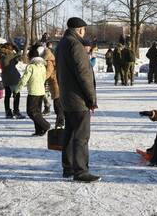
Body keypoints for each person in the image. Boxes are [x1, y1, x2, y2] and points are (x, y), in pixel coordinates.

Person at [56, 17, 100, 182]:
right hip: (78, 98)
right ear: (80, 29)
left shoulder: (61, 44)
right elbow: (84, 75)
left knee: (70, 132)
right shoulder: (76, 45)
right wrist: (91, 98)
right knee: (81, 136)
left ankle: (68, 167)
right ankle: (80, 171)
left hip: (66, 97)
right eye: (84, 30)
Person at [15, 44, 50, 136]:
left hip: (33, 92)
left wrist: (17, 89)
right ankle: (39, 131)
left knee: (31, 112)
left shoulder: (31, 67)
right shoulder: (42, 66)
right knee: (37, 112)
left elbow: (24, 79)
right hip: (41, 92)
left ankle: (45, 125)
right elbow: (44, 78)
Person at [0, 43, 25, 119]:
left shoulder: (1, 55)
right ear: (9, 49)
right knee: (16, 95)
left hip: (5, 77)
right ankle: (16, 111)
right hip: (12, 77)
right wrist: (16, 47)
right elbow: (19, 54)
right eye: (12, 48)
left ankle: (8, 112)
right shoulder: (9, 55)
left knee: (7, 95)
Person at [44, 43, 64, 128]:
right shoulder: (51, 58)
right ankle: (60, 121)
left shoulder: (49, 60)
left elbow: (48, 72)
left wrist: (40, 79)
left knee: (58, 104)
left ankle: (60, 122)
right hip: (56, 82)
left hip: (56, 83)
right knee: (58, 103)